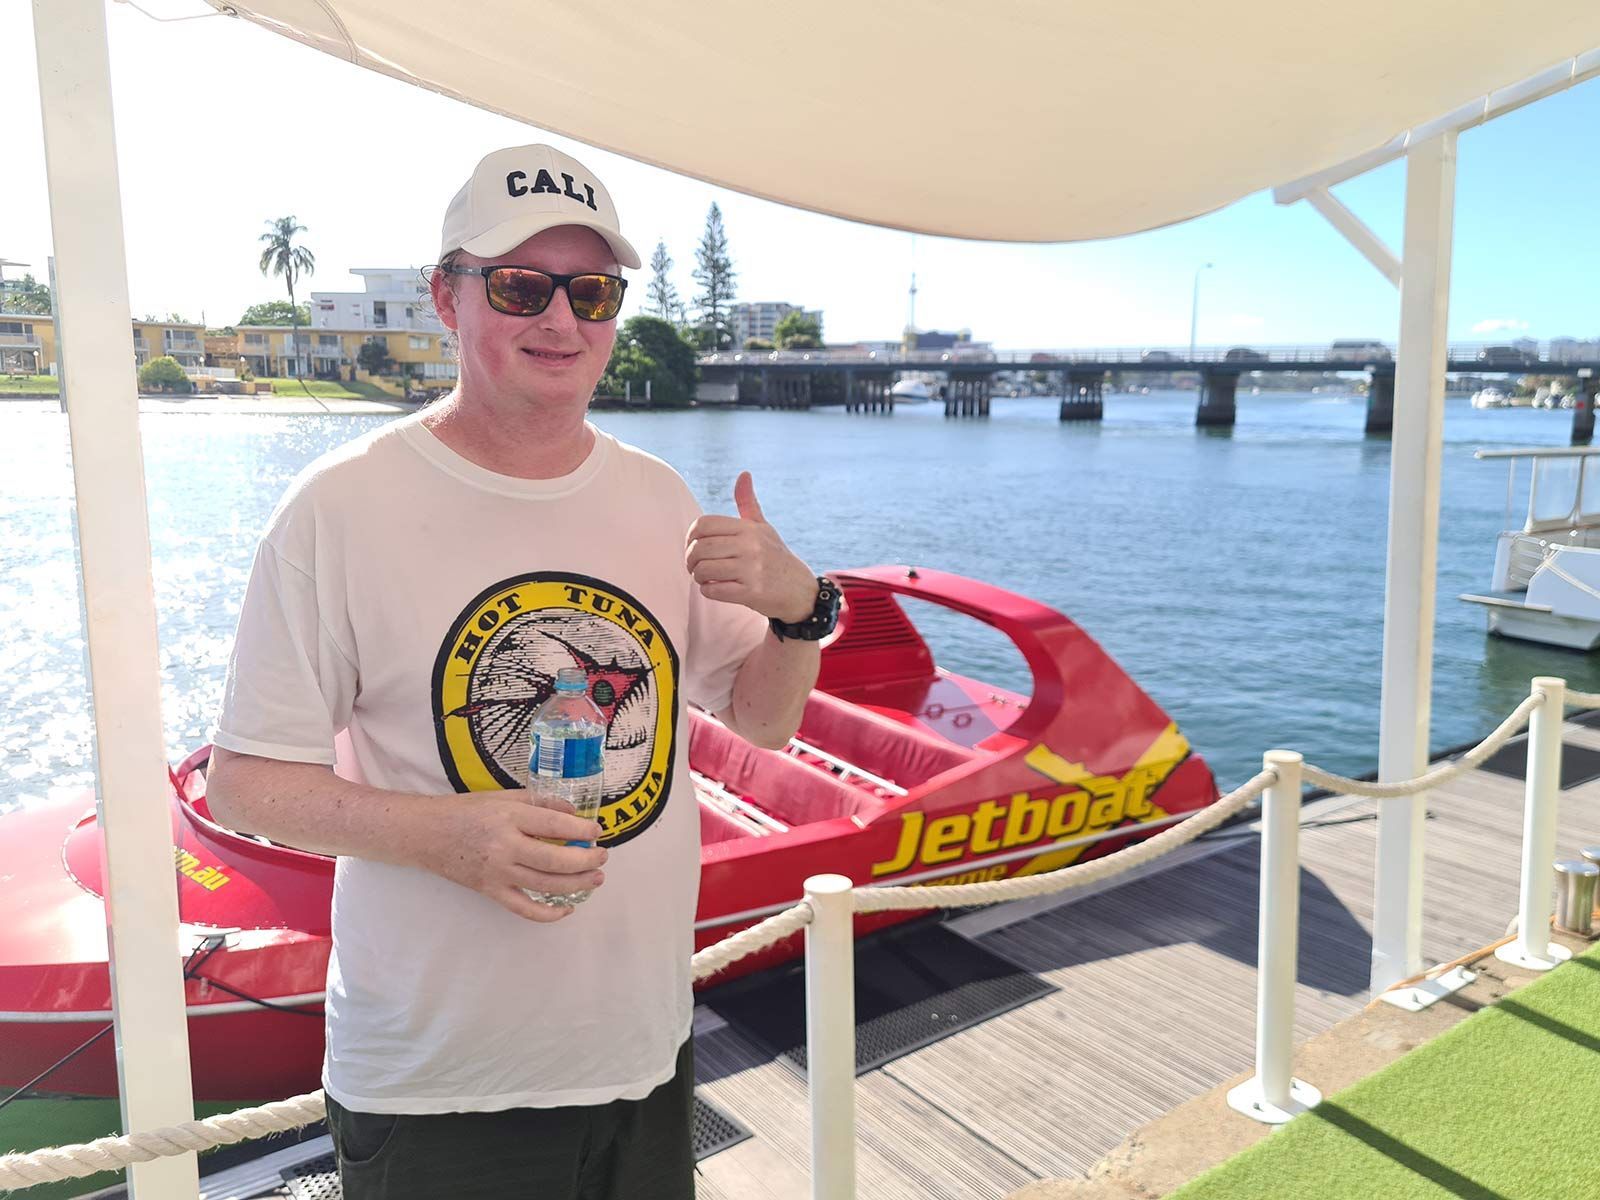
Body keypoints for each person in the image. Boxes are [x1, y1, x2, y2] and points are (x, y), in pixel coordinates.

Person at [204, 143, 839, 1199]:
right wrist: (446, 836)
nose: (560, 321)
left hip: (642, 1051)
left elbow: (763, 720)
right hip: (438, 1086)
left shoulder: (656, 498)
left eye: (591, 293)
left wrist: (800, 612)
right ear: (445, 299)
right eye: (517, 285)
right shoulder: (339, 507)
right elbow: (247, 782)